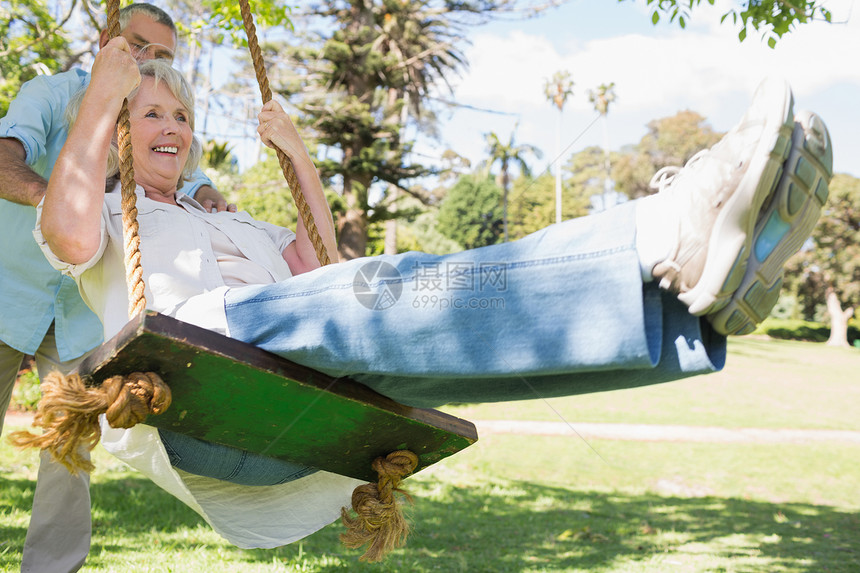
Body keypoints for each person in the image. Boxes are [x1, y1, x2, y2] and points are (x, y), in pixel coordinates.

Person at [35, 52, 832, 551]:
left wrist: (301, 158)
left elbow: (328, 271)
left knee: (425, 335)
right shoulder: (108, 212)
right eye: (149, 114)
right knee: (387, 291)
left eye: (180, 113)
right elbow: (67, 237)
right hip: (195, 396)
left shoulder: (236, 218)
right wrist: (102, 97)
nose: (170, 125)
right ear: (117, 133)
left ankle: (690, 308)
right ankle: (663, 231)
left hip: (287, 405)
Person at [0, 4, 231, 571]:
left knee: (70, 450)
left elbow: (191, 178)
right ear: (106, 38)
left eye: (164, 56)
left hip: (81, 310)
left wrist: (211, 202)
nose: (149, 61)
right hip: (9, 288)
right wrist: (54, 204)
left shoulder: (151, 118)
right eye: (138, 45)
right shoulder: (54, 92)